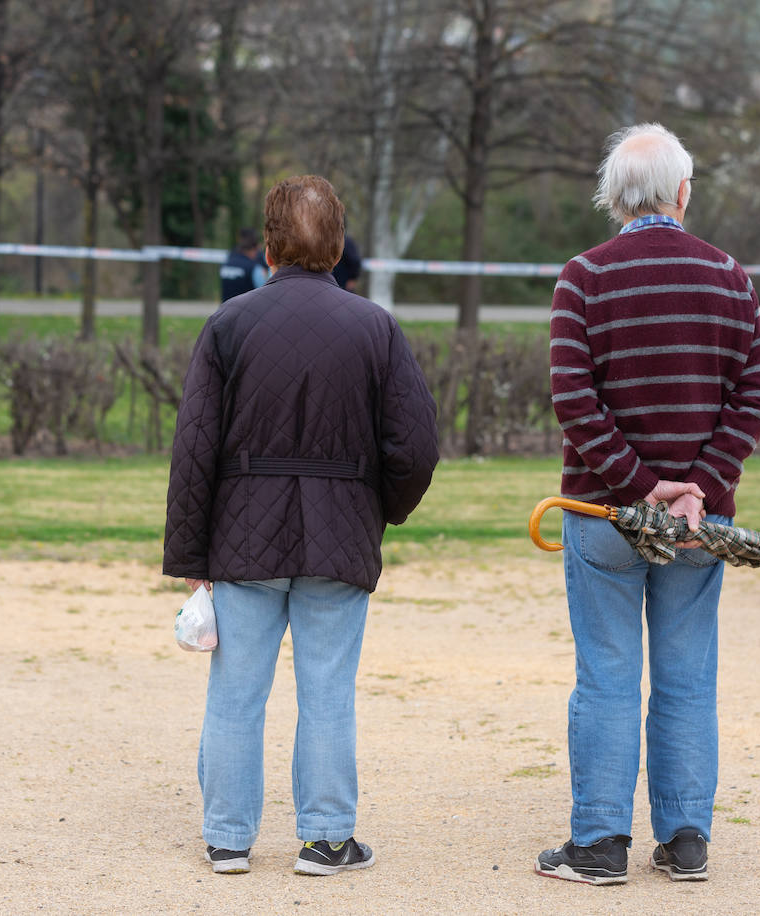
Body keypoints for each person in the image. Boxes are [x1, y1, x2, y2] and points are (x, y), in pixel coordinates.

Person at [163, 175, 438, 877]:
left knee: (236, 691)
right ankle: (326, 838)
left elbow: (193, 451)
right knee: (327, 692)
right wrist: (383, 509)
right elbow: (415, 446)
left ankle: (228, 838)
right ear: (340, 246)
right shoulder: (375, 326)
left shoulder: (229, 324)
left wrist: (192, 554)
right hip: (339, 528)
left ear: (267, 247)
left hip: (242, 534)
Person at [537, 123, 760, 885]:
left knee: (607, 674)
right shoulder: (731, 276)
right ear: (681, 192)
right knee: (686, 676)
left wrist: (643, 488)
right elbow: (756, 396)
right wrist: (698, 483)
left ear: (614, 197)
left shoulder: (583, 277)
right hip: (702, 522)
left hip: (606, 515)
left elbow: (574, 401)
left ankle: (600, 845)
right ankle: (685, 838)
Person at [218, 227, 268, 302]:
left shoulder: (227, 262)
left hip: (225, 310)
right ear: (256, 248)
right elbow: (265, 294)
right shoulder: (254, 268)